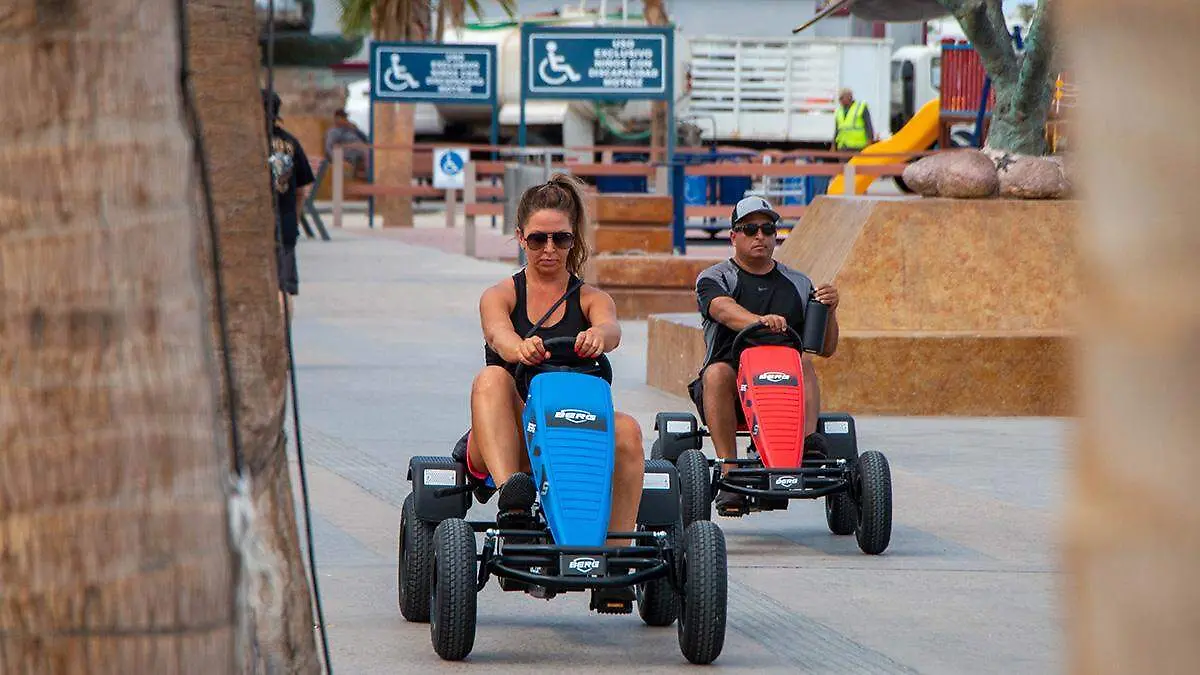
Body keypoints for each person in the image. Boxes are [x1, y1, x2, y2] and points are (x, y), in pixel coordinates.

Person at [465, 173, 645, 608]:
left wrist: (599, 336)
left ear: (572, 240)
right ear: (521, 238)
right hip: (511, 435)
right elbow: (497, 334)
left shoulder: (590, 297)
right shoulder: (501, 294)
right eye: (538, 239)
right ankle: (514, 501)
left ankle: (616, 560)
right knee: (491, 378)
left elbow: (610, 324)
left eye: (560, 239)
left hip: (572, 432)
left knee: (629, 430)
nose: (549, 249)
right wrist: (518, 348)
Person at [689, 196, 840, 515]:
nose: (760, 236)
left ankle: (809, 445)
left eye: (768, 229)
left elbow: (824, 348)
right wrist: (759, 321)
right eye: (750, 229)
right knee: (716, 373)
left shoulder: (798, 283)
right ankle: (730, 472)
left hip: (783, 378)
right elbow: (723, 310)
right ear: (733, 236)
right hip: (731, 378)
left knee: (804, 362)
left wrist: (829, 311)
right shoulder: (715, 278)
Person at [263, 90, 315, 301]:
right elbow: (302, 189)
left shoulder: (245, 144)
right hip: (285, 224)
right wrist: (292, 217)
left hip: (254, 228)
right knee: (283, 291)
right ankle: (284, 332)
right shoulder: (291, 142)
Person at [323, 108, 369, 179]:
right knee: (366, 151)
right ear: (336, 119)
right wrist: (336, 159)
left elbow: (366, 139)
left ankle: (369, 175)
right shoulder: (333, 131)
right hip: (346, 152)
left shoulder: (350, 129)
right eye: (343, 118)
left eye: (345, 118)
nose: (345, 120)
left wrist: (356, 129)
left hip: (359, 150)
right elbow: (328, 147)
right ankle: (369, 176)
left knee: (369, 151)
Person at [832, 87, 876, 152]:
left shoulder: (861, 107)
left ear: (849, 97)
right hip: (843, 147)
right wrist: (833, 145)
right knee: (844, 163)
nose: (840, 101)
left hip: (858, 147)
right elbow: (837, 130)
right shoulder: (839, 111)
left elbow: (868, 126)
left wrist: (869, 142)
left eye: (841, 98)